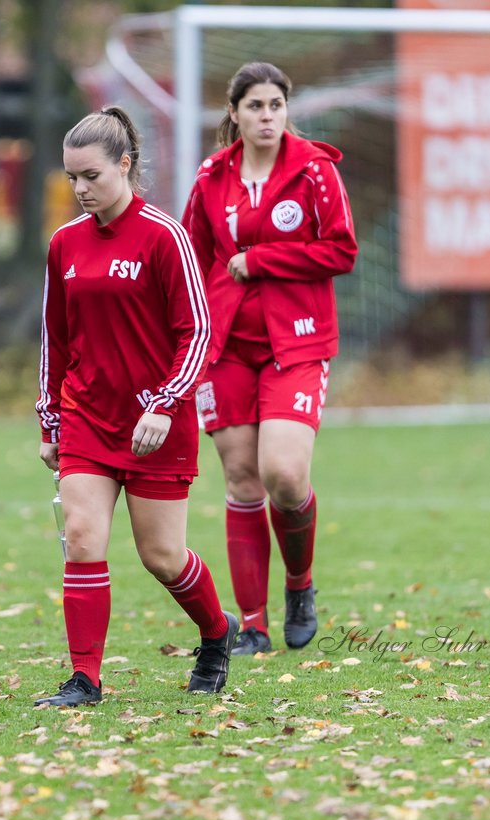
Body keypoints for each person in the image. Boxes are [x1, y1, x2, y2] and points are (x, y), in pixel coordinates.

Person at [34, 106, 239, 708]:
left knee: (161, 556)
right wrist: (50, 417)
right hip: (86, 418)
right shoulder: (63, 244)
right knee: (81, 534)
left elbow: (196, 333)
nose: (80, 190)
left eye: (91, 175)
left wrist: (166, 404)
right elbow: (56, 337)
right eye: (72, 178)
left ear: (125, 164)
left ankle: (216, 630)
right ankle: (84, 679)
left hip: (156, 423)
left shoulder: (163, 236)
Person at [182, 62, 358, 656]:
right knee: (241, 477)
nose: (266, 116)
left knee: (284, 474)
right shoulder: (210, 178)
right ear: (233, 113)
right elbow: (190, 261)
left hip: (297, 343)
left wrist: (262, 261)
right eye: (254, 106)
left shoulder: (315, 171)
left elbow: (341, 250)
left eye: (275, 106)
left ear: (287, 111)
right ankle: (252, 626)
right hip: (225, 346)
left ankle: (300, 584)